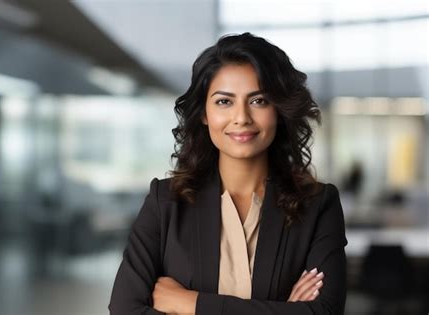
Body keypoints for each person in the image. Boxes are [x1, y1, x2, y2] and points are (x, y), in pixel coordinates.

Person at [108, 32, 347, 315]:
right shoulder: (166, 202)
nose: (241, 117)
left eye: (258, 101)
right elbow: (125, 310)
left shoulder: (318, 205)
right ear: (204, 113)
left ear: (279, 111)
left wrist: (190, 303)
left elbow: (325, 313)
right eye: (224, 101)